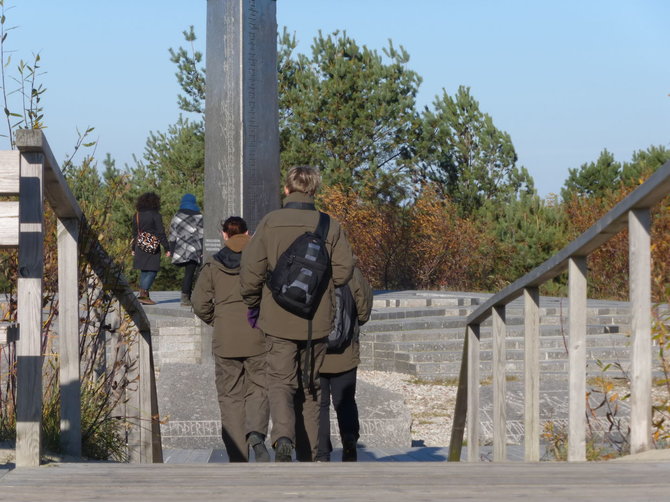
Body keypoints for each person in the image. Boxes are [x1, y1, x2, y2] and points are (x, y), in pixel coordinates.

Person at [240, 165, 356, 462]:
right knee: (311, 386)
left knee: (279, 381)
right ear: (314, 190)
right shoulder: (330, 225)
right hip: (315, 322)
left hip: (277, 317)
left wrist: (255, 302)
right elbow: (343, 273)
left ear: (287, 189)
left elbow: (251, 272)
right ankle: (310, 455)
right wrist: (317, 286)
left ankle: (282, 438)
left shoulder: (270, 222)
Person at [191, 216, 271, 462]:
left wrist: (217, 319)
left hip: (226, 337)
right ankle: (256, 433)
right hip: (257, 332)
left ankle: (238, 452)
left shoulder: (213, 265)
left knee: (230, 396)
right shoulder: (262, 260)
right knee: (259, 388)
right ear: (249, 233)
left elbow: (199, 302)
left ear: (224, 235)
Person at [316, 266, 373, 462]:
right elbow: (364, 311)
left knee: (319, 404)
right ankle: (349, 439)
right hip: (346, 351)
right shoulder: (352, 271)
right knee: (345, 401)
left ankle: (321, 452)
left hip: (316, 351)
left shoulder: (311, 265)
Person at [132, 192, 170, 305]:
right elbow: (160, 233)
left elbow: (134, 233)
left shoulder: (137, 215)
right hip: (152, 246)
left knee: (144, 270)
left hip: (140, 245)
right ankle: (143, 294)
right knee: (153, 270)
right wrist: (167, 247)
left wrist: (133, 248)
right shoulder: (156, 215)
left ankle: (144, 296)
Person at [168, 193, 204, 306]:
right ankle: (188, 297)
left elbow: (172, 235)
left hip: (181, 248)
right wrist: (203, 250)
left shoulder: (177, 216)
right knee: (191, 272)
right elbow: (202, 234)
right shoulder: (199, 216)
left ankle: (185, 297)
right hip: (194, 248)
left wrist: (172, 250)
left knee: (187, 274)